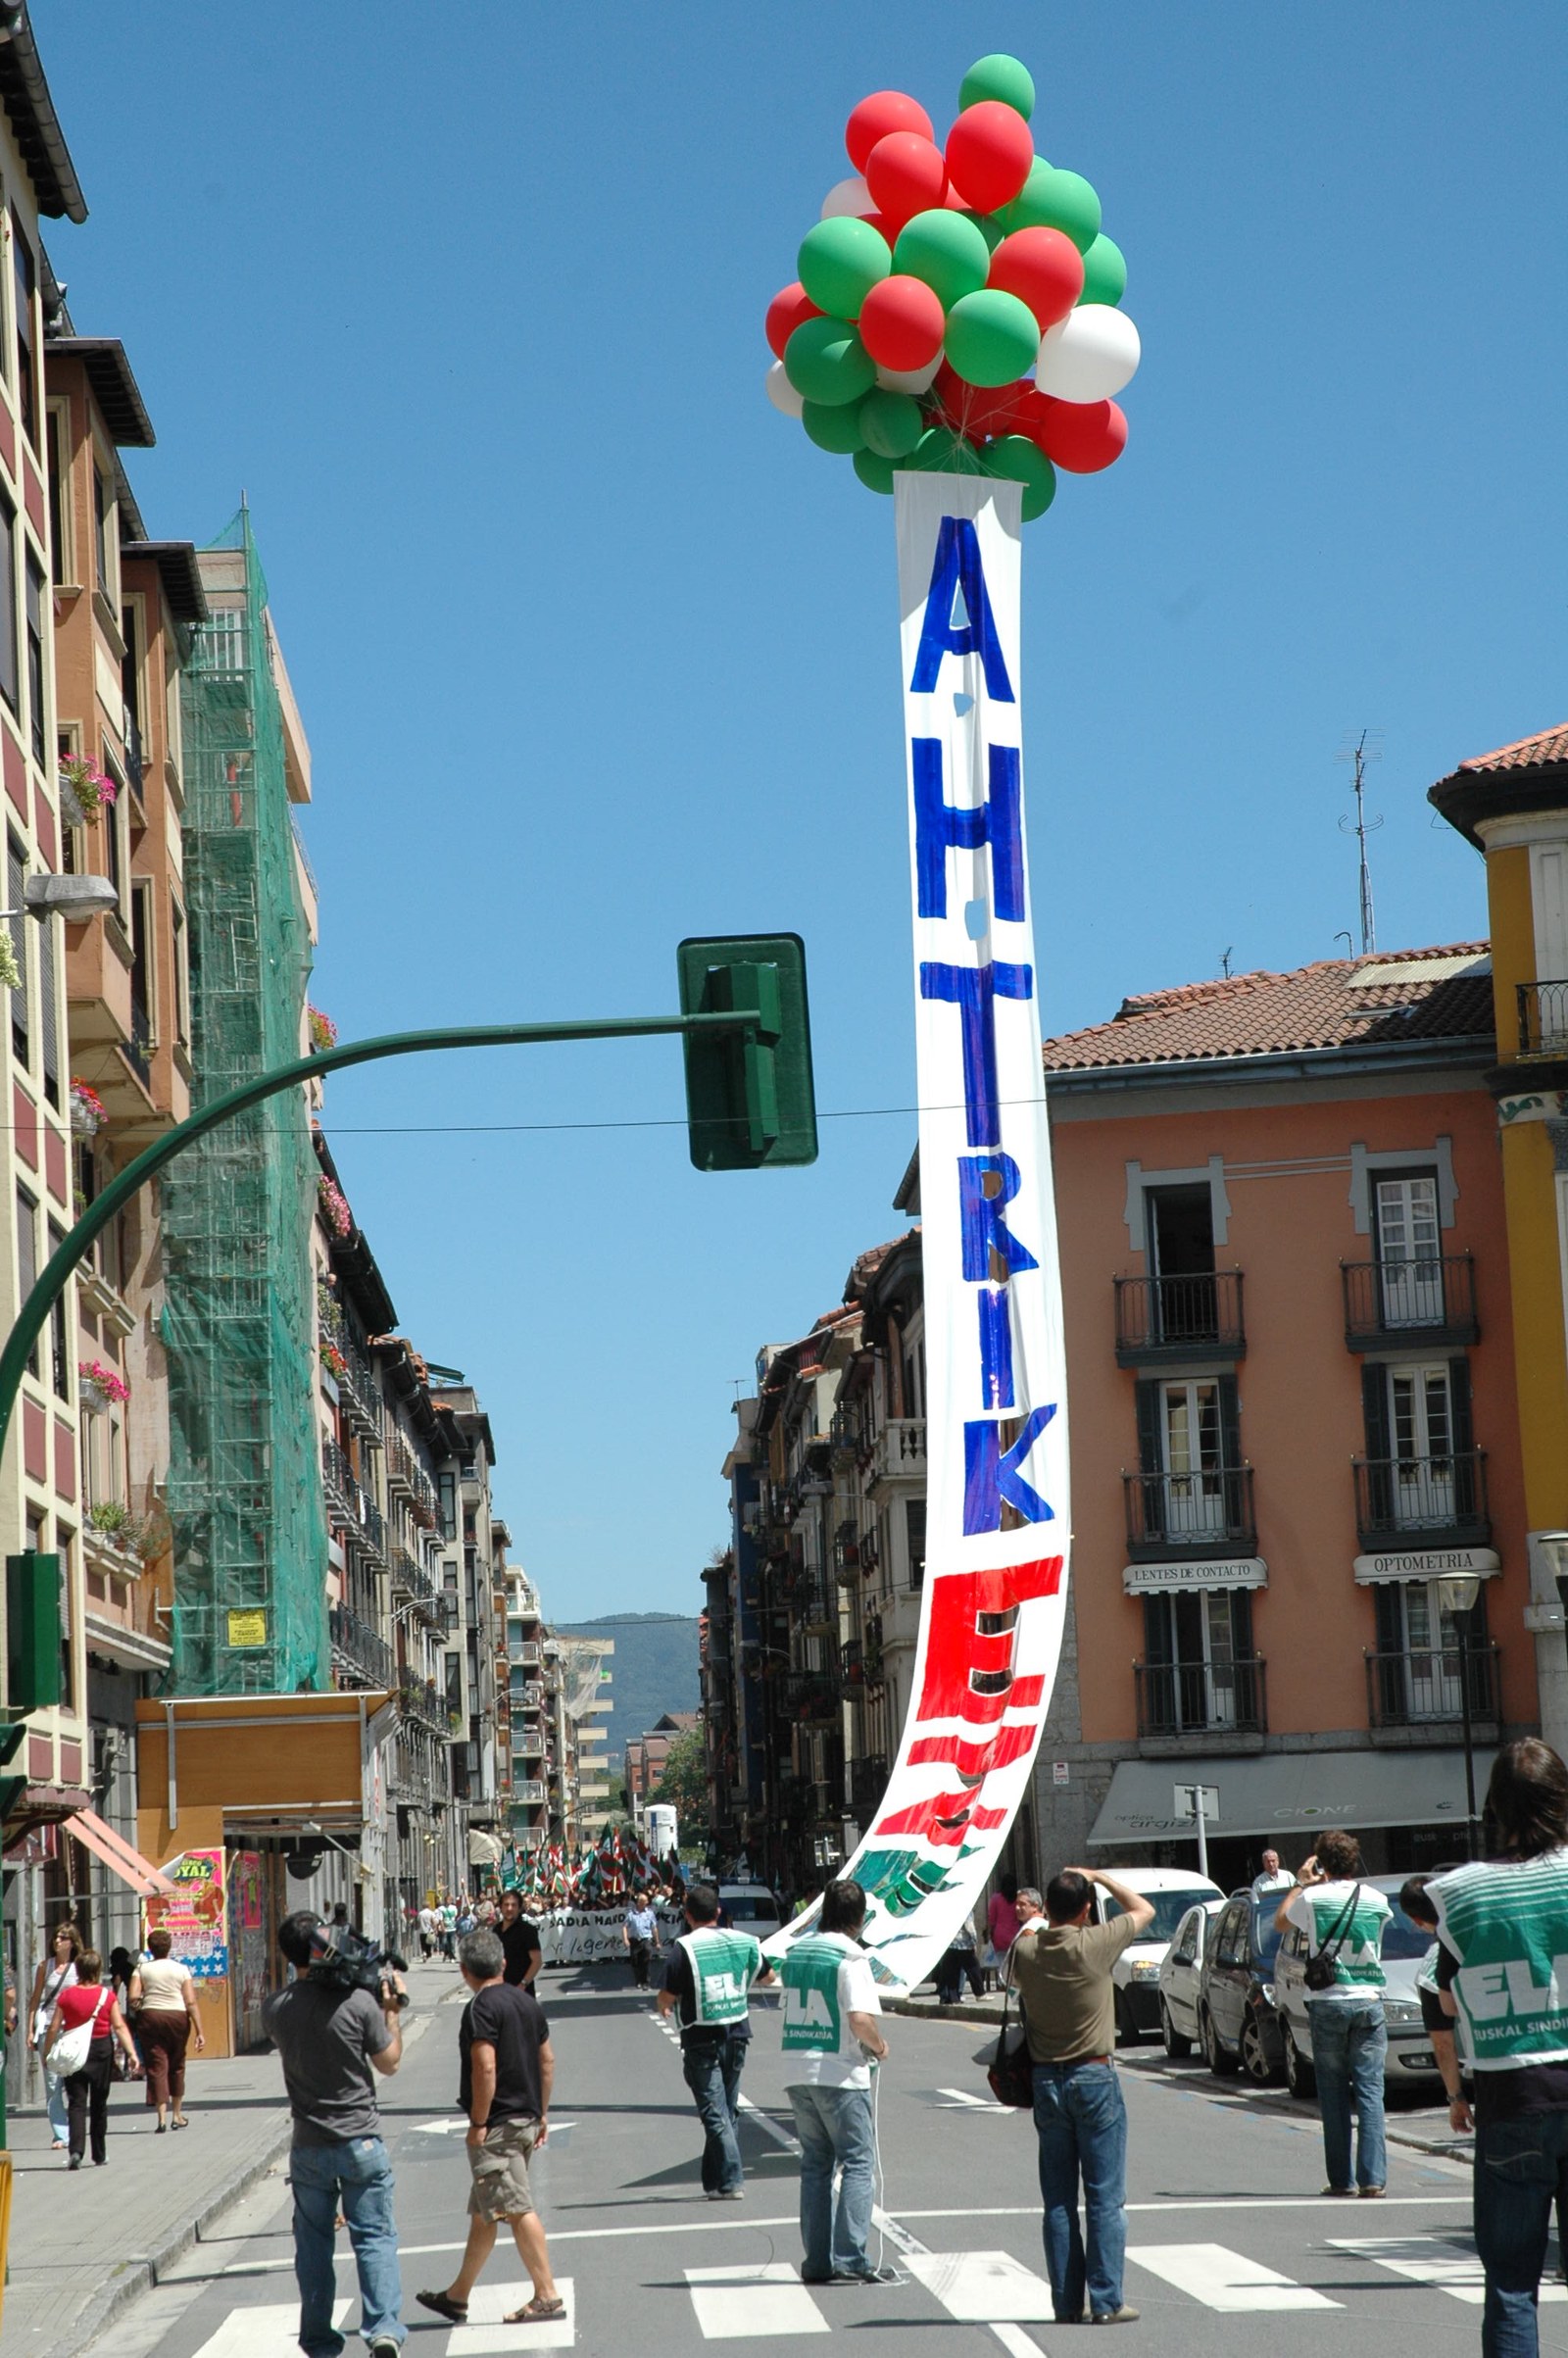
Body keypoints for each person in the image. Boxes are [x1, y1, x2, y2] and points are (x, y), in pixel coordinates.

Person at [1430, 1738, 1568, 2358]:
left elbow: (1447, 1996)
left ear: (1495, 1808)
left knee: (1512, 2283)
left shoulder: (1460, 1893)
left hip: (1511, 2097)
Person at [1010, 1866, 1154, 2326]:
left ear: (1046, 1908)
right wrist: (1101, 1877)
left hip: (1046, 2082)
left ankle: (1066, 2303)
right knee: (1104, 2198)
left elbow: (1016, 1956)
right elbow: (1143, 1909)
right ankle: (1107, 2301)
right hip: (1094, 2077)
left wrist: (1040, 1921)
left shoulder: (1027, 1951)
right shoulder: (1097, 1944)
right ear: (1087, 1910)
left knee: (1057, 2201)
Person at [261, 1908, 406, 2358]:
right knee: (374, 2238)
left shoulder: (276, 2008)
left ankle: (321, 2340)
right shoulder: (358, 2004)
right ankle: (382, 2328)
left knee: (314, 2249)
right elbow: (390, 2062)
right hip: (360, 2137)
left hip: (308, 2145)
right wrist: (391, 2009)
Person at [416, 1927, 564, 2329]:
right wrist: (543, 2112)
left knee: (515, 2207)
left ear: (464, 1970)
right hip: (527, 2117)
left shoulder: (480, 2008)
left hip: (497, 2124)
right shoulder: (526, 2003)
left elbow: (485, 2066)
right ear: (502, 1964)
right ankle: (457, 2296)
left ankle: (546, 2293)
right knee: (486, 2210)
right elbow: (546, 2061)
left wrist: (479, 2122)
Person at [779, 1876, 895, 2285]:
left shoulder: (795, 1953)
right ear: (858, 1920)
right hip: (840, 2072)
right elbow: (860, 2019)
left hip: (796, 2068)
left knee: (815, 2166)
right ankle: (850, 2255)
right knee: (859, 2162)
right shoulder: (851, 1958)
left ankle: (817, 2261)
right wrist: (879, 2047)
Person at [1275, 1830, 1392, 2197]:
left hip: (1327, 2000)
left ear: (1322, 1862)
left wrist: (1300, 1882)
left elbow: (1281, 1922)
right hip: (1369, 1998)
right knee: (1371, 2091)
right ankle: (1373, 2179)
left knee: (1333, 2092)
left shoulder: (1312, 1897)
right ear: (1354, 1861)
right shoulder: (1378, 1899)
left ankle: (1342, 2180)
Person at [659, 1880, 774, 2200]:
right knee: (727, 2111)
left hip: (700, 2038)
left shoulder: (685, 1948)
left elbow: (667, 1994)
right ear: (719, 1912)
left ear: (688, 1915)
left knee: (715, 2113)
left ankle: (733, 2179)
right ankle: (716, 2182)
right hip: (737, 2034)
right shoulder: (744, 1942)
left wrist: (664, 2006)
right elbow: (769, 1977)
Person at [41, 1943, 143, 2169]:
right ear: (97, 1971)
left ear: (77, 1971)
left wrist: (48, 2052)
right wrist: (132, 2053)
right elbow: (119, 2026)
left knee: (76, 2103)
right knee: (99, 2103)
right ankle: (99, 2153)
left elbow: (53, 2027)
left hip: (73, 2051)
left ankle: (76, 2151)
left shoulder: (66, 1997)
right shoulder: (106, 1997)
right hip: (100, 2050)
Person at [1398, 1878, 1467, 2121]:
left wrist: (1456, 2098)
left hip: (1493, 2070)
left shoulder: (1431, 1968)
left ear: (1417, 1921)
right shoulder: (1485, 1932)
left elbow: (1442, 2043)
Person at [129, 1927, 205, 2132]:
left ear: (150, 1949)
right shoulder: (181, 1969)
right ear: (169, 1947)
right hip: (177, 2018)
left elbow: (133, 1997)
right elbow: (190, 2001)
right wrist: (199, 2031)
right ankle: (177, 2115)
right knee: (177, 2064)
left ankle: (161, 2119)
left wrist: (144, 2004)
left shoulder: (141, 1969)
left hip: (151, 2017)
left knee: (157, 2066)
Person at [30, 1920, 80, 2151]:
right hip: (49, 2029)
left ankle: (76, 2128)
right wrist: (31, 2029)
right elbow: (36, 1998)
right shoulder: (45, 1966)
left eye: (62, 1937)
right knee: (52, 2084)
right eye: (56, 1937)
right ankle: (61, 2133)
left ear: (72, 1942)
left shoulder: (78, 1967)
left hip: (71, 2030)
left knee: (72, 2082)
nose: (57, 1941)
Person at [936, 1910, 985, 2007]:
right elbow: (969, 1926)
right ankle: (980, 1993)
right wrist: (974, 1941)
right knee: (973, 1967)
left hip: (950, 1943)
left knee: (951, 1972)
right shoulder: (966, 1907)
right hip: (963, 1943)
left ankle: (952, 1998)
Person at [497, 1889, 542, 1990]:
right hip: (500, 1992)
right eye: (506, 1905)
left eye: (513, 1905)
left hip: (522, 1993)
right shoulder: (496, 1931)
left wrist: (523, 1984)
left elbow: (537, 1961)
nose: (509, 1908)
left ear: (519, 1908)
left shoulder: (528, 1931)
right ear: (500, 1907)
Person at [623, 1887, 661, 1991]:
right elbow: (625, 1927)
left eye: (645, 1901)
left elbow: (654, 1927)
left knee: (646, 1960)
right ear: (638, 1902)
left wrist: (657, 1941)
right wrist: (625, 1939)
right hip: (635, 1940)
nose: (643, 1903)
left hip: (646, 1939)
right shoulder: (631, 1914)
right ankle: (638, 1980)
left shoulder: (650, 1914)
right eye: (641, 1901)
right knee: (635, 1961)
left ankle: (646, 1982)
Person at [989, 1873, 1022, 1968]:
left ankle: (1002, 1981)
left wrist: (991, 1934)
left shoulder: (995, 1899)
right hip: (1015, 1935)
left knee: (1001, 1965)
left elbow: (992, 1920)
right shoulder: (1019, 1899)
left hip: (999, 1936)